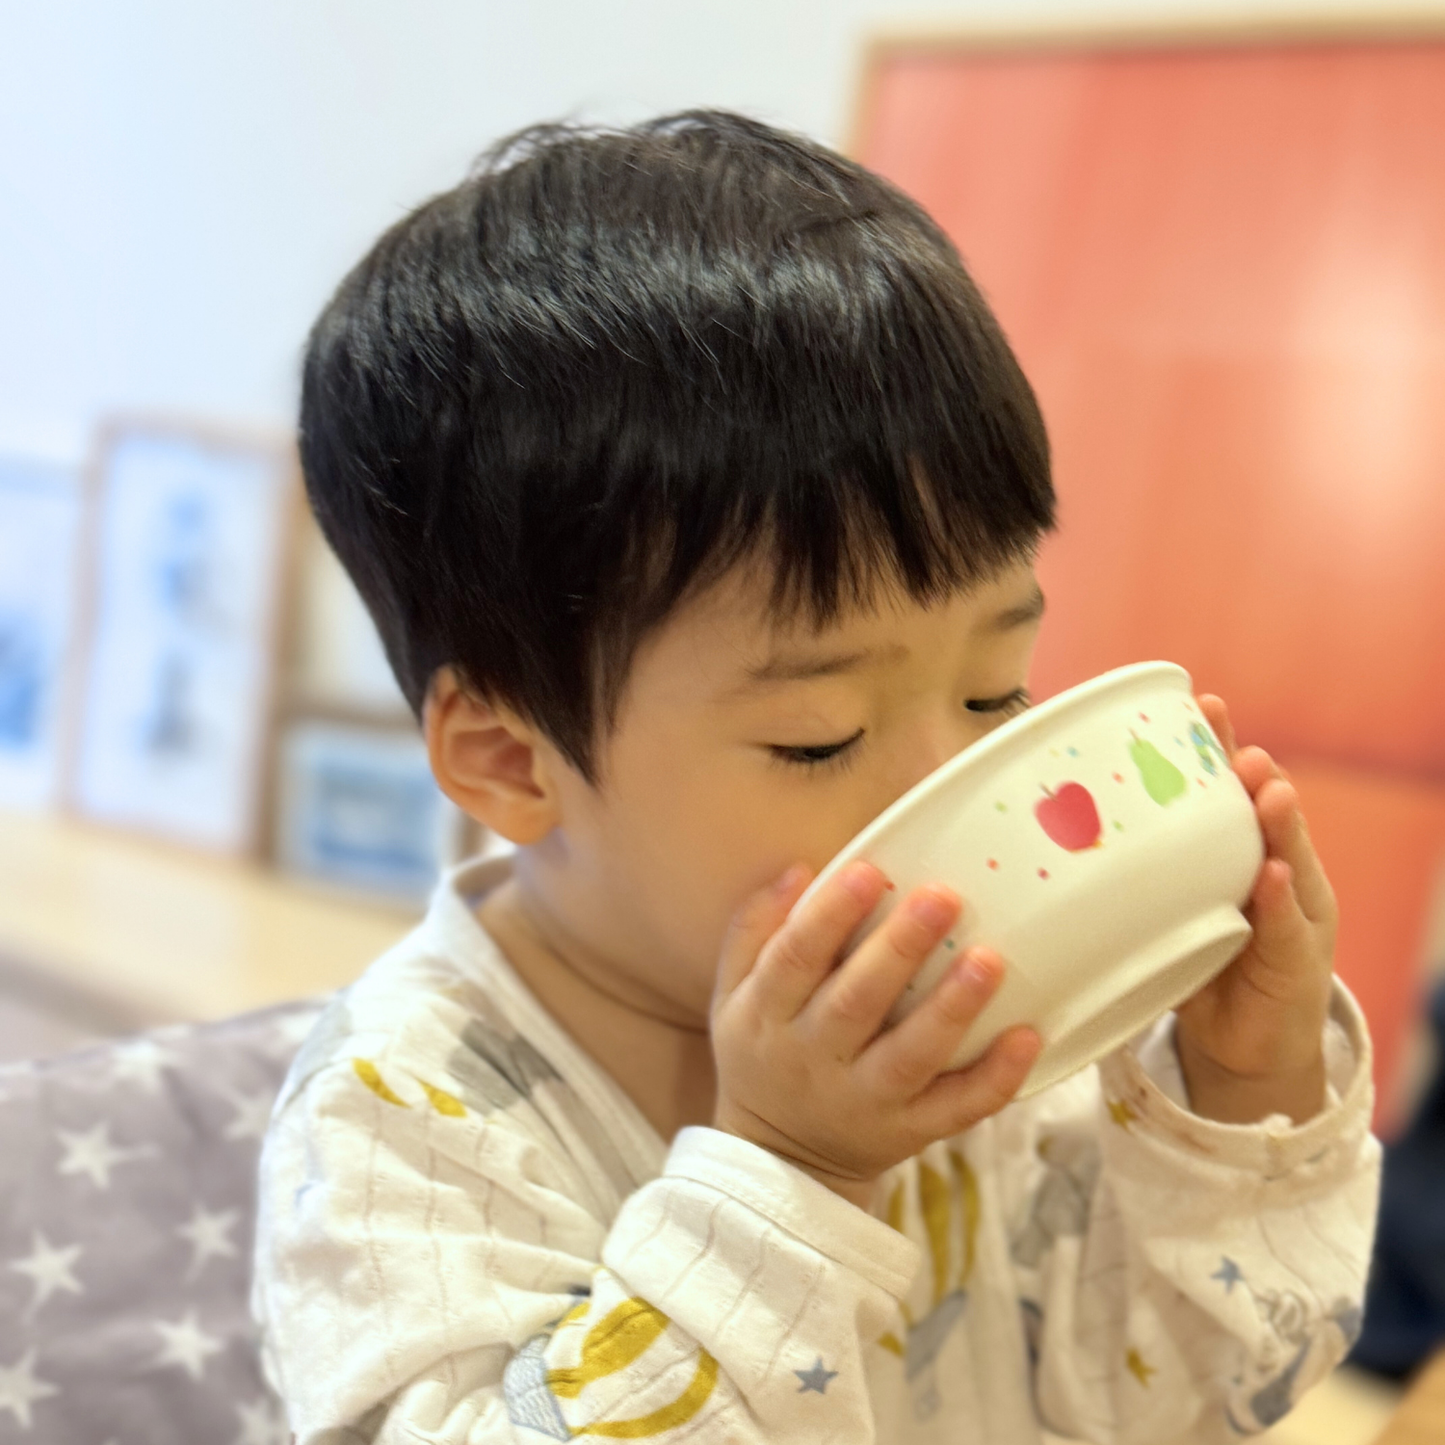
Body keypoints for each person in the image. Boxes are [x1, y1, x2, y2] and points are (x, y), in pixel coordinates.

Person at [252, 111, 1380, 1444]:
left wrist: (1240, 1091)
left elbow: (1181, 1403)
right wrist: (790, 1177)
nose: (957, 778)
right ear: (511, 761)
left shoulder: (979, 999)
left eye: (993, 686)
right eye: (821, 738)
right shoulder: (408, 1123)